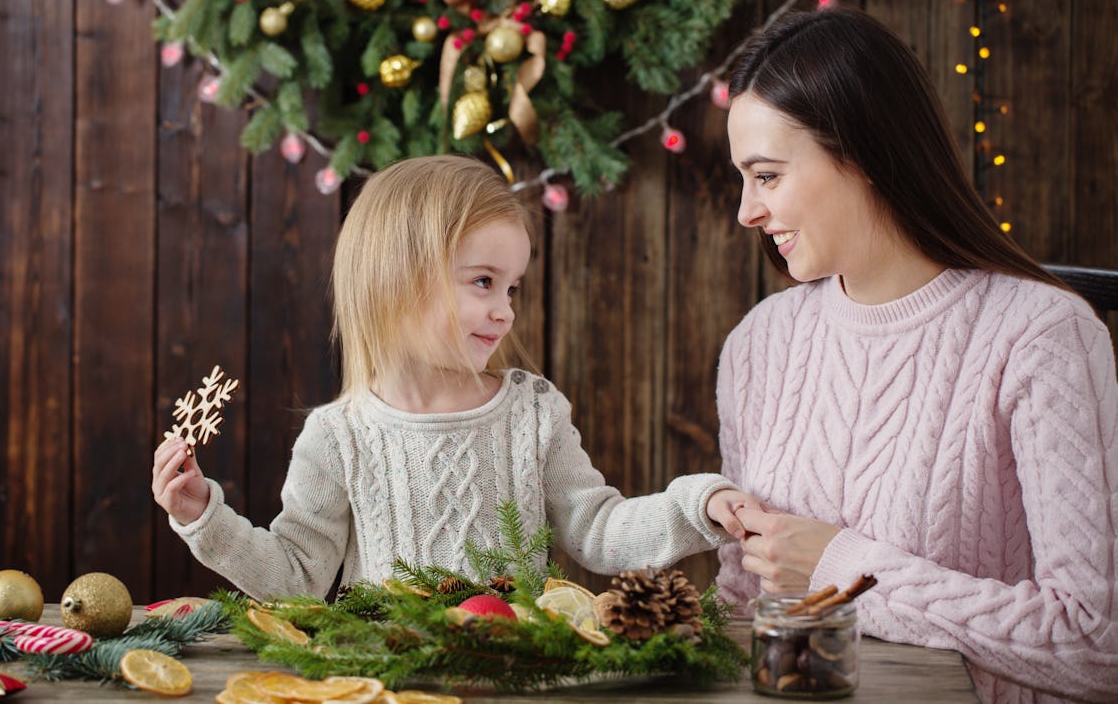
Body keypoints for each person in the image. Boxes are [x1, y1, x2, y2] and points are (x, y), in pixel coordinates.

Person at [716, 7, 1117, 703]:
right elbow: (740, 606)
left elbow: (1094, 643)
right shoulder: (759, 344)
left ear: (864, 155)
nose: (746, 210)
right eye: (743, 178)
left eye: (768, 175)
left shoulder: (1042, 334)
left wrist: (842, 567)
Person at [152, 154, 762, 602]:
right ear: (400, 277)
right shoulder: (338, 435)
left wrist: (697, 505)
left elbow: (598, 529)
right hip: (394, 687)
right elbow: (295, 577)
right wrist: (203, 514)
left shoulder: (533, 413)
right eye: (482, 281)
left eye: (512, 287)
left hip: (517, 681)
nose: (506, 309)